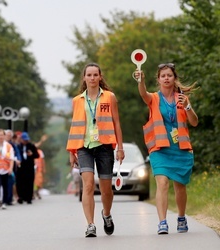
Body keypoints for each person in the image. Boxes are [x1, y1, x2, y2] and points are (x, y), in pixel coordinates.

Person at [134, 63, 198, 234]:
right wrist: (141, 80)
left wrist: (188, 107)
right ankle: (162, 222)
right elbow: (143, 93)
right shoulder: (154, 98)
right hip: (159, 148)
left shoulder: (182, 99)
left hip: (181, 148)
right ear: (159, 79)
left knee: (180, 186)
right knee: (162, 183)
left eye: (169, 75)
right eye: (163, 76)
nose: (166, 78)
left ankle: (181, 217)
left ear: (174, 78)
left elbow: (194, 122)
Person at [66, 63, 124, 237]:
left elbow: (117, 123)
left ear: (100, 77)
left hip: (105, 146)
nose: (92, 78)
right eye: (89, 75)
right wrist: (72, 151)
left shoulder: (109, 97)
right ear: (84, 78)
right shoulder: (77, 101)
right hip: (84, 147)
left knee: (106, 189)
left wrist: (120, 147)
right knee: (88, 185)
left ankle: (106, 214)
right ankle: (90, 224)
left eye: (95, 75)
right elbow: (74, 126)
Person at [16, 132, 39, 204]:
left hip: (29, 167)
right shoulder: (18, 146)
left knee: (29, 182)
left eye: (26, 140)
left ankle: (29, 197)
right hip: (21, 167)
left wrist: (31, 154)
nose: (25, 141)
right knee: (20, 183)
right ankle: (21, 197)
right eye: (24, 140)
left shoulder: (31, 146)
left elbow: (37, 155)